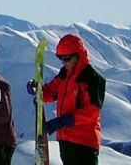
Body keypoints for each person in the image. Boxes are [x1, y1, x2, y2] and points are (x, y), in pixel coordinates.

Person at [27, 34, 106, 165]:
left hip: (85, 142)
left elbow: (92, 112)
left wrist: (64, 121)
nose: (64, 62)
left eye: (67, 58)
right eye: (61, 58)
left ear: (78, 55)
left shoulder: (92, 78)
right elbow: (51, 93)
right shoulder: (65, 75)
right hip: (66, 140)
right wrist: (38, 89)